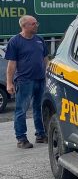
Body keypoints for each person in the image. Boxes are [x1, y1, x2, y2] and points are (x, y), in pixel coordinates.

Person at [5, 15, 49, 149]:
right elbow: (12, 64)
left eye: (36, 23)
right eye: (33, 24)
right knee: (21, 110)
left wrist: (48, 77)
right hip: (24, 81)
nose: (37, 25)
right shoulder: (15, 41)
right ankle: (21, 139)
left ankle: (41, 135)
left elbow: (46, 59)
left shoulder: (40, 39)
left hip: (40, 80)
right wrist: (9, 83)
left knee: (39, 108)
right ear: (24, 26)